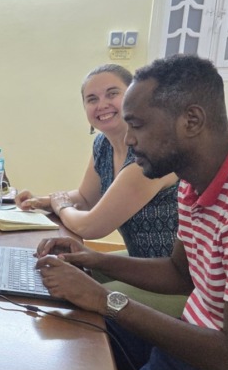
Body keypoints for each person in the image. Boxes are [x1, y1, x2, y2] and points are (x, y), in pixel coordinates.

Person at [35, 55, 228, 370]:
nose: (129, 139)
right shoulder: (193, 181)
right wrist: (90, 259)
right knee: (83, 336)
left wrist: (108, 300)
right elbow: (178, 272)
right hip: (190, 356)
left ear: (191, 120)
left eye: (139, 125)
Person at [16, 64, 179, 258]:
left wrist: (60, 206)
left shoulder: (150, 151)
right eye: (92, 99)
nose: (101, 105)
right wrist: (43, 201)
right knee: (53, 267)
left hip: (169, 276)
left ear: (134, 97)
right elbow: (85, 199)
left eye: (112, 94)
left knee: (62, 279)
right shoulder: (103, 144)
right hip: (140, 261)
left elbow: (90, 227)